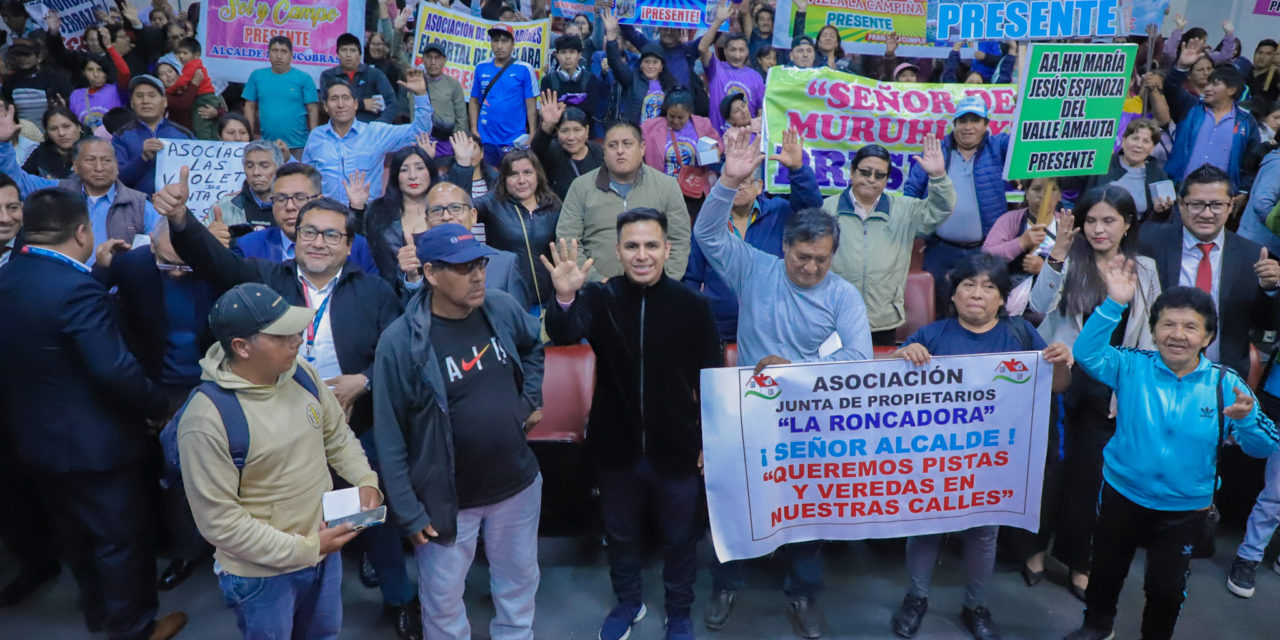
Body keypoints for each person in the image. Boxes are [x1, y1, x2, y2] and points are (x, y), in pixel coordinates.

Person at [694, 127, 872, 639]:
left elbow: (859, 357)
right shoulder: (756, 267)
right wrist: (728, 182)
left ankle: (803, 595)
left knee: (807, 508)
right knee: (738, 501)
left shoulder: (843, 296)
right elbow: (708, 236)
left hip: (812, 418)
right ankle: (726, 583)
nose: (812, 267)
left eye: (821, 259)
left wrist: (794, 370)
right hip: (750, 411)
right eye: (802, 257)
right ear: (786, 246)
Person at [0, 187, 185, 640]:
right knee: (121, 540)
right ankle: (135, 628)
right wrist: (160, 407)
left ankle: (99, 613)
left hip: (35, 439)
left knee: (76, 536)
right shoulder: (75, 288)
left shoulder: (8, 277)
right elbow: (114, 369)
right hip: (97, 444)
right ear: (83, 231)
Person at [1061, 278, 1278, 640]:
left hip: (1184, 508)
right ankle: (1097, 625)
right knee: (1105, 570)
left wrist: (1248, 422)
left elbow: (1264, 447)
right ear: (1153, 330)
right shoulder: (1132, 365)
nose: (1178, 335)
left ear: (1208, 337)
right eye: (1168, 324)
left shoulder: (1226, 383)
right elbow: (1086, 354)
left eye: (1191, 326)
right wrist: (1114, 303)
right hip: (1122, 493)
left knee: (1166, 588)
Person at [544, 207, 721, 640]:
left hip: (678, 446)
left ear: (667, 249)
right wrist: (564, 297)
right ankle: (628, 603)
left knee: (681, 540)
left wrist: (709, 439)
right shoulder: (600, 298)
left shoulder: (693, 306)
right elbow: (565, 331)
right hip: (615, 445)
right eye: (632, 246)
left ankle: (679, 612)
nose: (642, 255)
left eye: (651, 245)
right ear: (618, 252)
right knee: (621, 538)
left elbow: (712, 377)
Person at [173, 282, 383, 639]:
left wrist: (365, 478)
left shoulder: (301, 373)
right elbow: (221, 523)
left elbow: (335, 435)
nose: (297, 341)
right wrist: (307, 548)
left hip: (322, 553)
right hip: (262, 577)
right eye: (282, 336)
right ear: (241, 347)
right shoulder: (206, 420)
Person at [372, 223, 545, 640]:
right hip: (446, 501)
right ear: (430, 274)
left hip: (516, 484)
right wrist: (408, 511)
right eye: (463, 268)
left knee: (519, 583)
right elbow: (390, 436)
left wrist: (528, 402)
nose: (478, 276)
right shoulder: (400, 342)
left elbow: (533, 345)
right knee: (443, 600)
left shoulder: (500, 307)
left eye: (480, 264)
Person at [890, 254, 1073, 640]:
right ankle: (916, 597)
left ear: (1002, 298)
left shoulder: (1020, 333)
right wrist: (903, 355)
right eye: (968, 285)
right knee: (925, 530)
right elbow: (889, 389)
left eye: (989, 286)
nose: (977, 294)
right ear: (953, 295)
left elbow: (1057, 386)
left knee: (983, 536)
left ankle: (976, 604)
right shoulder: (932, 334)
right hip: (934, 459)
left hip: (991, 460)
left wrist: (1060, 362)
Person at [1029, 186, 1162, 603]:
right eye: (1091, 221)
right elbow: (1037, 305)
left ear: (1127, 224)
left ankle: (1079, 561)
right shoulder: (1071, 259)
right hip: (1063, 377)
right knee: (1050, 471)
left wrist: (1133, 386)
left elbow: (1151, 335)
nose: (1099, 229)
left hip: (1113, 385)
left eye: (1109, 221)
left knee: (1092, 478)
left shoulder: (1146, 268)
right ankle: (1034, 549)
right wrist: (1057, 257)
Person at [1139, 164, 1280, 382]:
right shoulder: (1150, 242)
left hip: (1221, 380)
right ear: (1181, 204)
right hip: (1155, 372)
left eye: (1216, 205)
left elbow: (1266, 324)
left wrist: (1270, 288)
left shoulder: (1251, 255)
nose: (1206, 214)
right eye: (1196, 205)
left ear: (1231, 205)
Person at [684, 129, 823, 342]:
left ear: (759, 187)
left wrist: (797, 169)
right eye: (734, 179)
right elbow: (692, 277)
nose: (739, 185)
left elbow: (811, 208)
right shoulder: (711, 221)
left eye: (745, 180)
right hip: (718, 326)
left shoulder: (780, 212)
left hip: (771, 326)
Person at [825, 139, 955, 346]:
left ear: (886, 180)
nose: (871, 179)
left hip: (883, 320)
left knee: (875, 377)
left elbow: (941, 209)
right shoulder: (827, 210)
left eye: (879, 175)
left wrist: (938, 176)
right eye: (865, 172)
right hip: (835, 317)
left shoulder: (905, 210)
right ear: (852, 172)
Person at [904, 95, 1010, 308]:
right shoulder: (938, 151)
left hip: (985, 250)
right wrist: (916, 235)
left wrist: (1023, 108)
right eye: (962, 121)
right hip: (939, 250)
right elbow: (911, 192)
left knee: (980, 308)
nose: (968, 127)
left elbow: (1025, 140)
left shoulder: (997, 147)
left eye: (975, 120)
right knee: (939, 306)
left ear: (986, 125)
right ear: (954, 125)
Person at [556, 120, 691, 281]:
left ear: (642, 148)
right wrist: (596, 281)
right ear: (604, 151)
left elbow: (679, 241)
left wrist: (661, 284)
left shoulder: (667, 186)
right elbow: (567, 242)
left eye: (627, 144)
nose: (620, 151)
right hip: (597, 292)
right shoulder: (581, 187)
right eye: (613, 145)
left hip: (655, 293)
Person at [0, 124, 161, 252]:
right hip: (65, 285)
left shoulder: (139, 205)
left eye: (106, 160)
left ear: (116, 166)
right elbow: (17, 183)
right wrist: (4, 144)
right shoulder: (58, 193)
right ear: (76, 166)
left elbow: (159, 245)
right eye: (90, 160)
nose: (99, 167)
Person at [301, 71, 432, 205]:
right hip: (327, 216)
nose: (340, 104)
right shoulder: (316, 137)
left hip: (366, 217)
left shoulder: (375, 133)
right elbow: (305, 180)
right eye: (334, 99)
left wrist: (421, 95)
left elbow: (420, 131)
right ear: (325, 106)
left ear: (356, 104)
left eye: (346, 98)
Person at [361, 142, 474, 296]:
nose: (412, 175)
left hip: (443, 294)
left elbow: (462, 203)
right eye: (405, 169)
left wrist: (463, 165)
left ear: (430, 172)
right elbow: (359, 248)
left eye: (420, 168)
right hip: (391, 299)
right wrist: (356, 209)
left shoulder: (446, 212)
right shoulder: (378, 211)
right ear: (395, 175)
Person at [233, 162, 381, 275]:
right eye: (281, 198)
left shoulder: (356, 247)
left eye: (300, 197)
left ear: (320, 201)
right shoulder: (249, 247)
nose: (290, 206)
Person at [1161, 38, 1260, 196]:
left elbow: (1251, 161)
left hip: (1219, 198)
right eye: (1208, 84)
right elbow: (1170, 88)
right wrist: (1181, 66)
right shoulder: (1190, 107)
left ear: (1231, 90)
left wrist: (1243, 190)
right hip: (1179, 192)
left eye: (1215, 84)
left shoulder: (1246, 122)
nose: (1208, 88)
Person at [473, 148, 561, 310]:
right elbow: (461, 208)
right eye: (513, 174)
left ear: (538, 176)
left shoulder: (553, 205)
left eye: (528, 172)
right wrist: (463, 167)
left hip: (550, 301)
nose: (521, 180)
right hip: (508, 302)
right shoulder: (492, 204)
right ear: (504, 179)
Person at [470, 23, 538, 168]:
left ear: (513, 44)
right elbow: (474, 101)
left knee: (512, 181)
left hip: (515, 140)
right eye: (495, 41)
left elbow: (531, 104)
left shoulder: (525, 69)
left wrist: (532, 134)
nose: (499, 46)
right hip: (486, 139)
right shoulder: (481, 67)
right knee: (488, 180)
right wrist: (474, 130)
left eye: (504, 41)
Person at [112, 74, 194, 195]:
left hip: (176, 206)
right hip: (136, 207)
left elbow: (197, 173)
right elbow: (116, 179)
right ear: (132, 103)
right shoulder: (121, 136)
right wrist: (142, 159)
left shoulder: (184, 135)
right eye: (139, 96)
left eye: (152, 95)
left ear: (164, 102)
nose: (145, 101)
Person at [1081, 118, 1174, 224]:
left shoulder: (1158, 175)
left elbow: (1165, 217)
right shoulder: (1102, 163)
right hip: (1095, 229)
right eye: (1135, 138)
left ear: (1152, 148)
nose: (1138, 145)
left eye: (1146, 141)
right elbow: (1070, 182)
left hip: (1137, 235)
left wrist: (1161, 212)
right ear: (1124, 141)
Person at [243, 36, 319, 157]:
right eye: (275, 51)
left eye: (284, 51)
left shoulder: (304, 78)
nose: (279, 56)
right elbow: (250, 106)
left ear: (291, 55)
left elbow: (312, 109)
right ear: (268, 54)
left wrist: (314, 139)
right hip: (266, 145)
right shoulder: (257, 76)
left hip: (299, 145)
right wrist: (248, 135)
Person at [982, 177, 1058, 290]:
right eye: (1036, 189)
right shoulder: (1009, 220)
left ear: (1060, 195)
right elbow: (986, 256)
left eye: (1051, 190)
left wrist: (1045, 269)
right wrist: (1020, 243)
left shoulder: (1065, 224)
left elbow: (1076, 267)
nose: (1043, 195)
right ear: (1027, 193)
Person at [603, 10, 678, 125]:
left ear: (661, 66)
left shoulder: (671, 86)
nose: (650, 66)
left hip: (661, 137)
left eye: (655, 62)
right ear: (641, 64)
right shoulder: (633, 79)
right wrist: (611, 35)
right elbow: (615, 62)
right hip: (637, 136)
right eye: (646, 61)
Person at [699, 2, 764, 133]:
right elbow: (702, 48)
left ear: (747, 52)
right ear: (725, 51)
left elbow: (761, 113)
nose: (737, 55)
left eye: (741, 50)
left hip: (745, 143)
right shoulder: (716, 68)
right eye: (732, 50)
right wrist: (718, 21)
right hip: (717, 141)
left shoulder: (756, 77)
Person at [533, 92, 604, 200]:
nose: (571, 137)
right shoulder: (552, 151)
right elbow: (536, 149)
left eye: (577, 130)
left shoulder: (598, 152)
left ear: (587, 131)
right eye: (565, 131)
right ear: (557, 132)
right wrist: (548, 126)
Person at [320, 33, 399, 124]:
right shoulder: (328, 76)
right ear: (337, 54)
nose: (348, 55)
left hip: (370, 128)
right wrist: (361, 104)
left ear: (360, 55)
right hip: (340, 128)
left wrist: (379, 125)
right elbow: (325, 105)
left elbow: (392, 103)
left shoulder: (375, 74)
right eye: (344, 50)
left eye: (353, 50)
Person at [214, 139, 284, 230]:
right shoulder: (225, 206)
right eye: (250, 166)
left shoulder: (293, 206)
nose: (256, 172)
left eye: (264, 166)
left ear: (280, 168)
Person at [2, 36, 73, 124]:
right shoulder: (10, 82)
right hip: (25, 132)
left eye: (27, 54)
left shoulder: (56, 78)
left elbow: (70, 104)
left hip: (52, 129)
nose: (22, 59)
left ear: (39, 56)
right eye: (18, 55)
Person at [420, 41, 467, 165]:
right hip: (421, 142)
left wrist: (458, 145)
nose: (433, 62)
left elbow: (461, 118)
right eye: (429, 57)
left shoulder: (453, 84)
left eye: (437, 58)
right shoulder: (416, 81)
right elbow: (396, 56)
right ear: (423, 59)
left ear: (444, 60)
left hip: (447, 145)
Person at [169, 37, 219, 139]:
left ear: (196, 55)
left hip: (203, 98)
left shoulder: (192, 65)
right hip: (207, 97)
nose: (181, 56)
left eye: (185, 53)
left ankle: (204, 146)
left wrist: (169, 90)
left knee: (200, 126)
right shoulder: (195, 65)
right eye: (179, 53)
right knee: (208, 125)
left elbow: (182, 81)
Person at [22, 104, 85, 179]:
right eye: (53, 129)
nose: (61, 133)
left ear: (78, 127)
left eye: (66, 126)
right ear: (47, 132)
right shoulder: (41, 152)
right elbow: (22, 180)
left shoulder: (94, 147)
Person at [540, 34, 596, 116]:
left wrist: (562, 105)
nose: (568, 57)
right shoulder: (548, 81)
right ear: (557, 55)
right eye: (563, 52)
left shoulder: (590, 79)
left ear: (579, 55)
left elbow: (592, 109)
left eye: (572, 52)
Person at [1247, 39, 1280, 104]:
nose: (1262, 57)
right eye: (1259, 52)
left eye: (1268, 54)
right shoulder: (1244, 71)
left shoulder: (1275, 77)